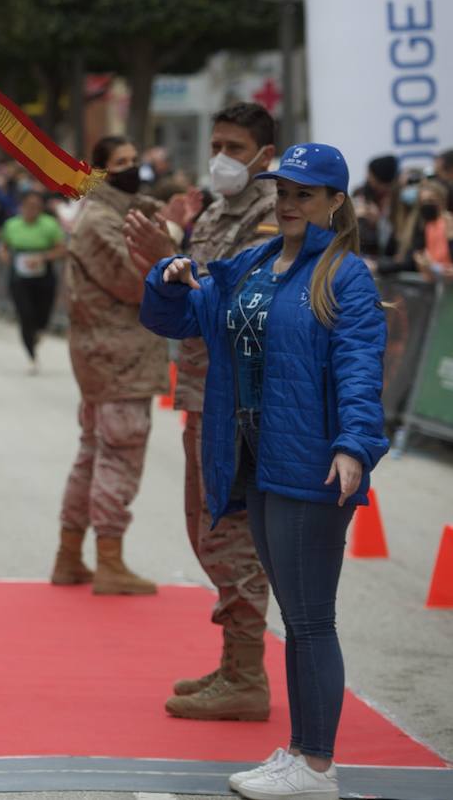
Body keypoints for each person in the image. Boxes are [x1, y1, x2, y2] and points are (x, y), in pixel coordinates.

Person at [141, 143, 387, 800]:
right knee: (298, 615)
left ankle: (314, 767)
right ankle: (303, 756)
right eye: (282, 191)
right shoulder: (251, 261)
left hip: (309, 463)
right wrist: (167, 276)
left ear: (336, 202)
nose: (288, 203)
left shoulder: (346, 276)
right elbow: (179, 318)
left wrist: (354, 446)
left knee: (309, 618)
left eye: (304, 194)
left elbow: (361, 367)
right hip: (255, 459)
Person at [123, 102, 279, 721]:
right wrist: (166, 261)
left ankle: (248, 677)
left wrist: (173, 251)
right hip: (201, 389)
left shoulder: (271, 215)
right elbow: (192, 288)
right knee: (206, 530)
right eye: (217, 143)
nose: (222, 157)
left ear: (264, 155)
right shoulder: (216, 212)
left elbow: (246, 298)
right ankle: (236, 662)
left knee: (231, 533)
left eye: (235, 147)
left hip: (240, 400)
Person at [51, 135, 167, 596]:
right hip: (118, 357)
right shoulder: (100, 221)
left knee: (94, 454)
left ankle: (70, 555)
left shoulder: (118, 214)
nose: (133, 168)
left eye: (136, 159)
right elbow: (137, 282)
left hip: (113, 356)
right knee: (118, 454)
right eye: (121, 162)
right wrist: (165, 242)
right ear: (99, 170)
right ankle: (109, 560)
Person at [0, 190, 65, 372]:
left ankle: (39, 331)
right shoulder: (12, 225)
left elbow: (61, 250)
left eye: (36, 207)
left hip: (44, 274)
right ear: (22, 206)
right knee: (25, 314)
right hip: (19, 275)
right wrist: (3, 254)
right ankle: (31, 356)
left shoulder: (49, 225)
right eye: (29, 206)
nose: (32, 210)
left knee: (42, 315)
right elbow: (3, 246)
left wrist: (43, 257)